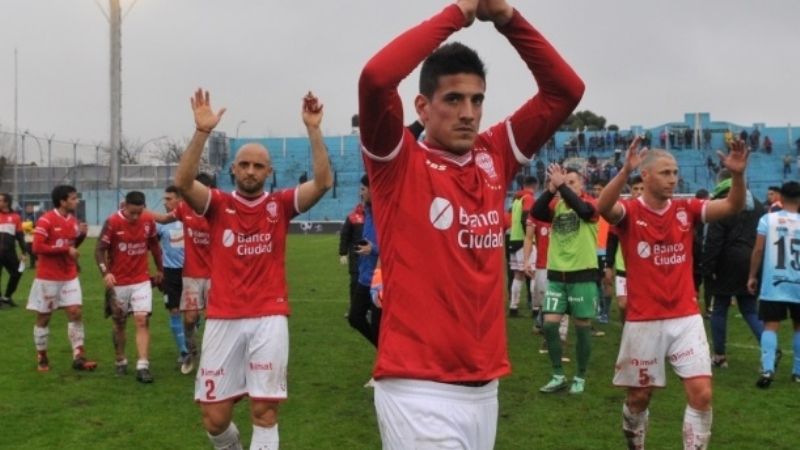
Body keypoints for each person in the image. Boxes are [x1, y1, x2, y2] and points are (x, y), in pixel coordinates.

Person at [358, 0, 583, 446]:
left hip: (485, 388)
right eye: (454, 99)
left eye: (477, 99)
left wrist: (507, 18)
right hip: (417, 387)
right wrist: (458, 12)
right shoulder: (397, 161)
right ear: (422, 106)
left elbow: (565, 90)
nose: (468, 112)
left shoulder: (493, 153)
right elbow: (376, 78)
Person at [175, 88, 332, 450]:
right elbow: (183, 183)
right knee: (214, 419)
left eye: (258, 166)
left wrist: (313, 129)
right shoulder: (218, 205)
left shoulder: (280, 204)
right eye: (244, 164)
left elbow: (323, 182)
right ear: (233, 169)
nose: (250, 170)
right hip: (223, 317)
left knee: (265, 412)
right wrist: (202, 132)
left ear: (268, 171)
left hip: (268, 317)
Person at [597, 137, 749, 450]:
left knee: (702, 394)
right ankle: (635, 442)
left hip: (686, 317)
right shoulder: (628, 212)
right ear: (646, 176)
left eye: (675, 172)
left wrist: (737, 175)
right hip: (644, 320)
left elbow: (733, 205)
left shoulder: (686, 209)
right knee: (639, 398)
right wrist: (625, 170)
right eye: (665, 172)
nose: (673, 178)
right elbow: (603, 208)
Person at [531, 164, 599, 394]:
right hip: (557, 277)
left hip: (582, 276)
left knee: (582, 328)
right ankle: (558, 374)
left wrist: (562, 185)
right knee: (549, 326)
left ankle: (580, 376)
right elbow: (536, 212)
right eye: (565, 182)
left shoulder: (591, 205)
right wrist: (551, 189)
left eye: (572, 182)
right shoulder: (557, 206)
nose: (567, 186)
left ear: (582, 185)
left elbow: (584, 211)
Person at [95, 191, 163, 383]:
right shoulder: (113, 222)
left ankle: (143, 365)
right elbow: (99, 249)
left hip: (141, 280)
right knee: (119, 322)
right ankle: (120, 359)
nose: (135, 217)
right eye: (132, 212)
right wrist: (105, 272)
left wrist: (160, 269)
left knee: (142, 320)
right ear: (124, 206)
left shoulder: (148, 220)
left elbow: (154, 245)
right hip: (119, 282)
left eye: (139, 213)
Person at [151, 174, 215, 375]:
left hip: (216, 274)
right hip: (192, 274)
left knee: (215, 318)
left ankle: (215, 357)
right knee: (189, 317)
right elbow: (162, 218)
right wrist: (138, 211)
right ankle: (190, 351)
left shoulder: (219, 210)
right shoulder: (184, 209)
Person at [27, 185, 95, 372]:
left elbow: (72, 246)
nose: (77, 201)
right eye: (73, 198)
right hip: (48, 278)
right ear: (62, 201)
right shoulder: (46, 220)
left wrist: (81, 235)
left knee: (75, 312)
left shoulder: (73, 220)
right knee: (44, 317)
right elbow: (37, 248)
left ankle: (79, 356)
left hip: (69, 275)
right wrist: (66, 249)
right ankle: (42, 355)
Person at [702, 171, 765, 368]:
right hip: (752, 261)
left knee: (719, 308)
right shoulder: (757, 204)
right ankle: (770, 348)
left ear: (721, 182)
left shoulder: (723, 203)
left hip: (726, 262)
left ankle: (719, 356)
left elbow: (714, 239)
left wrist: (708, 266)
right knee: (749, 310)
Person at [747, 181, 800, 388]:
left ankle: (767, 370)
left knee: (770, 326)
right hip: (798, 282)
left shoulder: (767, 220)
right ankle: (797, 372)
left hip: (774, 282)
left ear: (781, 198)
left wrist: (752, 275)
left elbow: (758, 250)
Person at [154, 186, 190, 370]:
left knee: (193, 314)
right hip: (170, 273)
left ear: (180, 200)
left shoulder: (190, 219)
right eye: (164, 199)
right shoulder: (160, 224)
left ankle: (191, 342)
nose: (165, 202)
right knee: (174, 311)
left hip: (191, 271)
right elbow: (151, 244)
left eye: (169, 199)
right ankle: (184, 351)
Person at [350, 175, 381, 348]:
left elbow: (396, 247)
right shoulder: (367, 212)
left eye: (363, 189)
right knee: (355, 317)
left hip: (379, 280)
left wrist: (374, 249)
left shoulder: (385, 213)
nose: (361, 193)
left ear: (372, 190)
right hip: (364, 277)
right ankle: (384, 351)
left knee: (378, 326)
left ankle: (385, 359)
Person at [508, 175, 537, 316]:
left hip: (514, 239)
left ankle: (513, 307)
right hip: (523, 240)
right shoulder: (528, 198)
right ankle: (536, 309)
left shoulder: (516, 199)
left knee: (518, 276)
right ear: (535, 186)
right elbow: (526, 217)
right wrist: (529, 239)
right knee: (533, 274)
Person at [338, 181, 365, 315]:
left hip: (372, 256)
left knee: (371, 282)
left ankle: (370, 308)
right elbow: (345, 235)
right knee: (355, 282)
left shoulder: (376, 215)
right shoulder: (353, 217)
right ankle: (353, 308)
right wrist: (343, 253)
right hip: (355, 256)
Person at [0, 193, 28, 307]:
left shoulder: (16, 217)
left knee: (17, 272)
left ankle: (7, 297)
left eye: (1, 200)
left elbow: (20, 236)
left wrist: (24, 252)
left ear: (7, 202)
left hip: (9, 252)